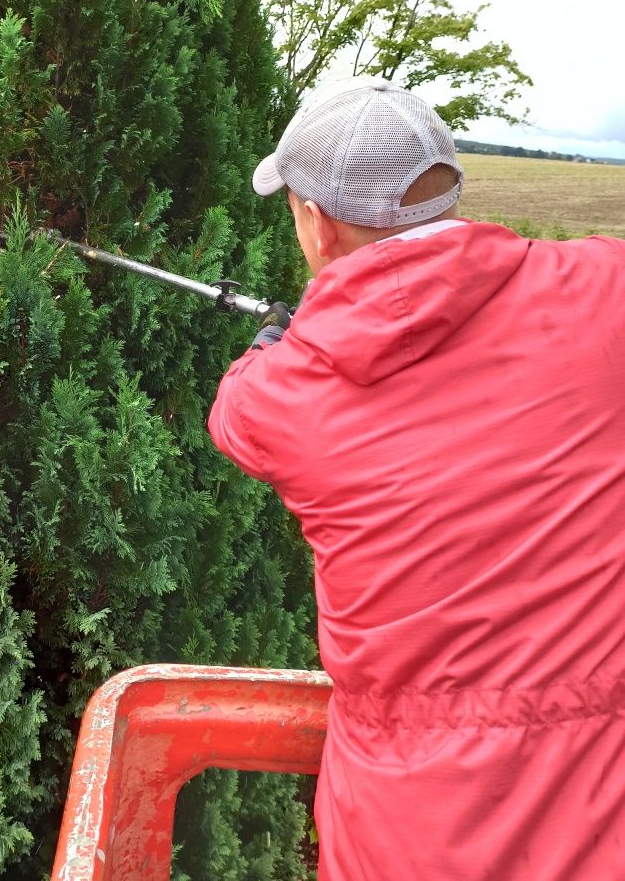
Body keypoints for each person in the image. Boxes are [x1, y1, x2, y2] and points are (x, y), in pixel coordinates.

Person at [208, 75, 625, 881]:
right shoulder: (606, 288)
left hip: (405, 842)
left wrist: (276, 338)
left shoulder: (280, 395)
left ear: (318, 225)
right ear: (449, 193)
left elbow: (234, 417)